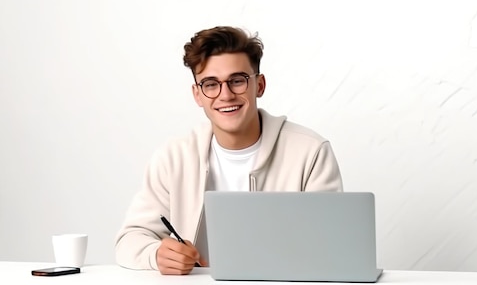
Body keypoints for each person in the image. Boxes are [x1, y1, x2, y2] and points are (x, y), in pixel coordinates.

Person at [114, 26, 343, 275]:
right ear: (198, 95)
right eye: (210, 84)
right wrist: (156, 254)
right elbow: (130, 239)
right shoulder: (173, 158)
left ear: (260, 85)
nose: (225, 95)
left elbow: (333, 247)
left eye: (237, 81)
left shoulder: (310, 152)